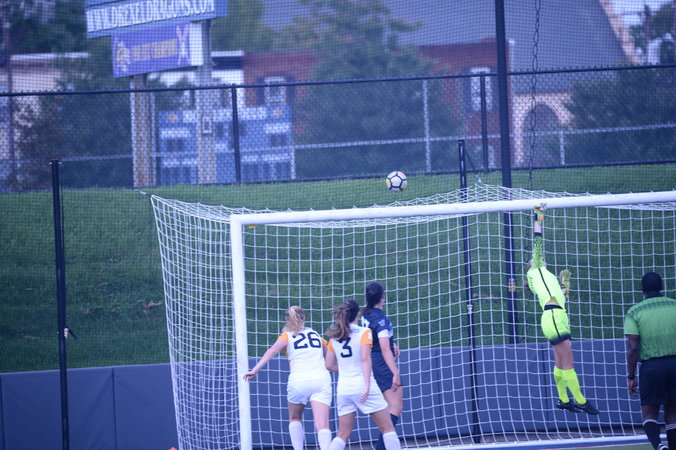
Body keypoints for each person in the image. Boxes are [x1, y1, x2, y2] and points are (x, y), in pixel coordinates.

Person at [526, 204, 599, 415]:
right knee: (568, 362)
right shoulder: (536, 268)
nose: (537, 257)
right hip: (554, 318)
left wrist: (564, 287)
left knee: (559, 361)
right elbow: (538, 241)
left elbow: (559, 298)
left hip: (555, 317)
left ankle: (564, 400)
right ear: (531, 264)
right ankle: (581, 401)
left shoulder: (544, 277)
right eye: (533, 259)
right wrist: (538, 216)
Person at [243, 306, 333, 450]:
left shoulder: (286, 336)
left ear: (287, 319)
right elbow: (328, 356)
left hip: (299, 380)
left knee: (295, 418)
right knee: (322, 424)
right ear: (304, 318)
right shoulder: (315, 334)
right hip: (321, 379)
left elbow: (272, 350)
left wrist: (255, 370)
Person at [325, 299, 402, 450]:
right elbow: (365, 359)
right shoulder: (364, 332)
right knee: (388, 428)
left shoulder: (334, 336)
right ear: (358, 314)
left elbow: (329, 364)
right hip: (363, 386)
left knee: (342, 434)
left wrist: (347, 368)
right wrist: (366, 385)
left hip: (344, 390)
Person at [624, 271, 676, 450]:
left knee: (649, 413)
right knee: (673, 413)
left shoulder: (635, 312)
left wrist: (631, 376)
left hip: (651, 367)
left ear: (642, 290)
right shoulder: (674, 305)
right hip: (674, 364)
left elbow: (633, 347)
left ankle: (659, 447)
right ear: (662, 287)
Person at [362, 281, 403, 450]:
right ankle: (381, 447)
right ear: (382, 297)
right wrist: (395, 373)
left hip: (369, 360)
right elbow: (385, 349)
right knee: (395, 406)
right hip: (381, 362)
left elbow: (374, 338)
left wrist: (391, 343)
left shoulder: (365, 314)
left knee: (385, 408)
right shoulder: (380, 318)